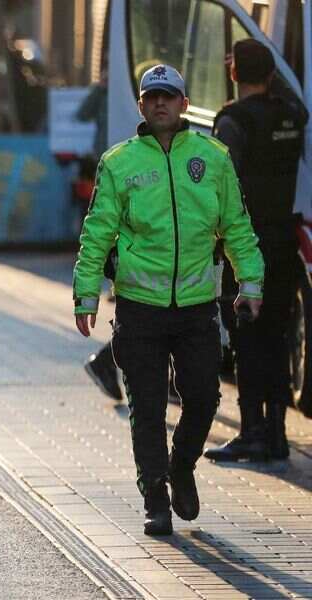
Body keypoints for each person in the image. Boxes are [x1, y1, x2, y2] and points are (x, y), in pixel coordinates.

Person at [73, 64, 264, 536]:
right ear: (140, 106)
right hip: (139, 309)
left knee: (202, 397)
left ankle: (181, 468)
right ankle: (155, 494)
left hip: (197, 308)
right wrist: (85, 293)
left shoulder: (212, 158)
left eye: (169, 96)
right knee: (147, 408)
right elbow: (97, 232)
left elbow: (236, 227)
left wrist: (251, 284)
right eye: (151, 96)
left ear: (184, 104)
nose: (160, 103)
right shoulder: (119, 163)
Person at [204, 40, 309, 462]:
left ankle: (251, 432)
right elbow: (288, 93)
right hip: (285, 239)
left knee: (248, 337)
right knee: (277, 336)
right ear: (269, 75)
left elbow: (220, 185)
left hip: (246, 243)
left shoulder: (231, 122)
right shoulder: (293, 115)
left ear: (232, 74)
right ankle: (278, 433)